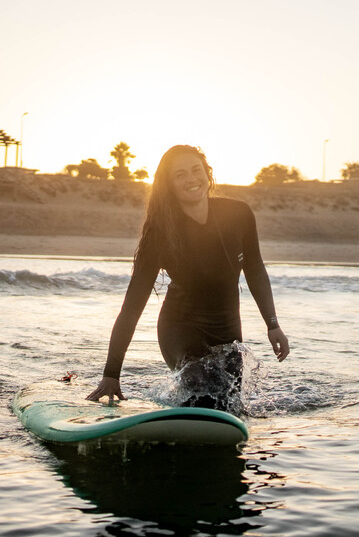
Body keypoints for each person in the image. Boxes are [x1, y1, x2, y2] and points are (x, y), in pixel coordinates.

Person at [87, 144, 289, 408]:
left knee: (229, 403)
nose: (191, 179)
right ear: (168, 184)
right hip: (180, 329)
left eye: (196, 170)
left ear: (207, 173)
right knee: (203, 396)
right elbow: (132, 307)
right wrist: (111, 373)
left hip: (227, 331)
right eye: (180, 174)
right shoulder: (161, 233)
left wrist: (272, 324)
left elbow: (255, 268)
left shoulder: (238, 214)